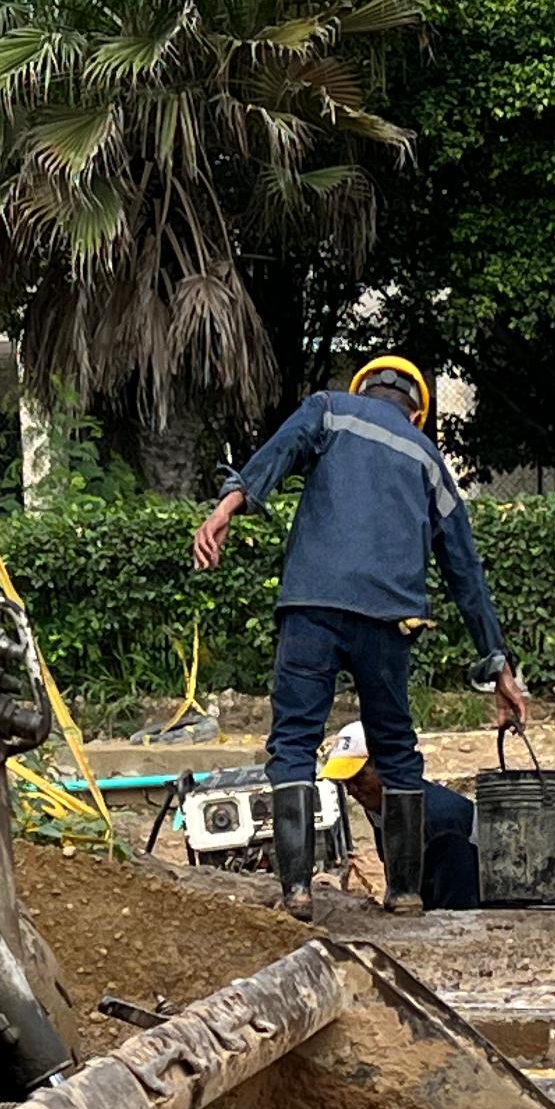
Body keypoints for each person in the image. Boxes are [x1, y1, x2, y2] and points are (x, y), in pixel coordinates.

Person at [194, 354, 528, 918]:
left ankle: (296, 890)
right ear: (417, 410)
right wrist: (498, 666)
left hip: (312, 607)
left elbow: (279, 451)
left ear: (364, 387)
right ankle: (404, 893)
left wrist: (229, 505)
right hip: (388, 621)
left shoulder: (328, 411)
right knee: (396, 753)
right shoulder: (428, 458)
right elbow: (465, 570)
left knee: (296, 743)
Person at [321, 721, 480, 908]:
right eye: (346, 782)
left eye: (359, 777)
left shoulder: (442, 821)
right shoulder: (380, 805)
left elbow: (458, 906)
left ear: (387, 766)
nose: (351, 790)